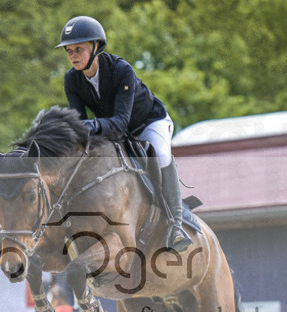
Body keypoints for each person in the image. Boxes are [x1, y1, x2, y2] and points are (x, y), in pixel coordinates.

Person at [56, 15, 192, 252]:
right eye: (69, 51)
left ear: (96, 47)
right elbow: (80, 124)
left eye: (79, 49)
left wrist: (88, 127)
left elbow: (119, 124)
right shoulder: (71, 79)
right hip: (114, 131)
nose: (73, 55)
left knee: (159, 155)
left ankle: (176, 225)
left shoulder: (121, 70)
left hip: (149, 123)